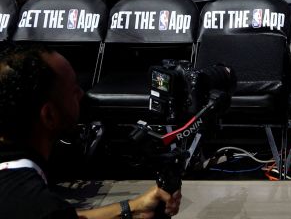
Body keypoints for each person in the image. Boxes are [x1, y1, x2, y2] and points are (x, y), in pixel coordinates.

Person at [0, 45, 181, 219]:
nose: (81, 94)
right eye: (73, 90)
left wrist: (134, 208)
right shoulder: (29, 201)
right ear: (49, 116)